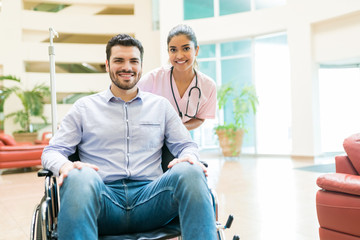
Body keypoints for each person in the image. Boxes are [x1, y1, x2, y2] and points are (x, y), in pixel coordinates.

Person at [41, 34, 217, 240]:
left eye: (133, 61)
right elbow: (52, 151)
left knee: (192, 170)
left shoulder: (161, 106)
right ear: (107, 65)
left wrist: (189, 157)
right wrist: (65, 167)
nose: (127, 67)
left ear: (141, 66)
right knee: (78, 175)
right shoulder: (84, 107)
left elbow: (187, 145)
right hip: (103, 201)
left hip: (151, 201)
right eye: (119, 60)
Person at [138, 24, 217, 131]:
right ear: (168, 52)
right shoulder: (152, 79)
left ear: (196, 50)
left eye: (186, 49)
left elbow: (200, 118)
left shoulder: (208, 86)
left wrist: (176, 129)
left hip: (181, 141)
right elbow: (132, 108)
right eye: (173, 50)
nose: (179, 56)